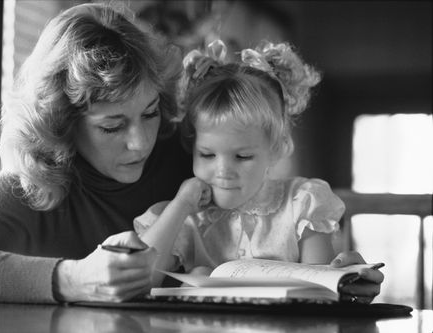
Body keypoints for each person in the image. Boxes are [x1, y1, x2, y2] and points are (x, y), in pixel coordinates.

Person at [0, 3, 193, 303]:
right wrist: (73, 279)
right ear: (62, 122)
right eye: (112, 127)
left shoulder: (192, 153)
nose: (141, 142)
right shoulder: (37, 178)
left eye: (150, 113)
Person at [135, 40, 383, 303]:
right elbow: (140, 277)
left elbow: (319, 290)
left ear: (275, 149)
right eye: (207, 154)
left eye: (242, 157)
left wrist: (341, 279)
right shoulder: (189, 216)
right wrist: (181, 204)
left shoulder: (302, 203)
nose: (223, 171)